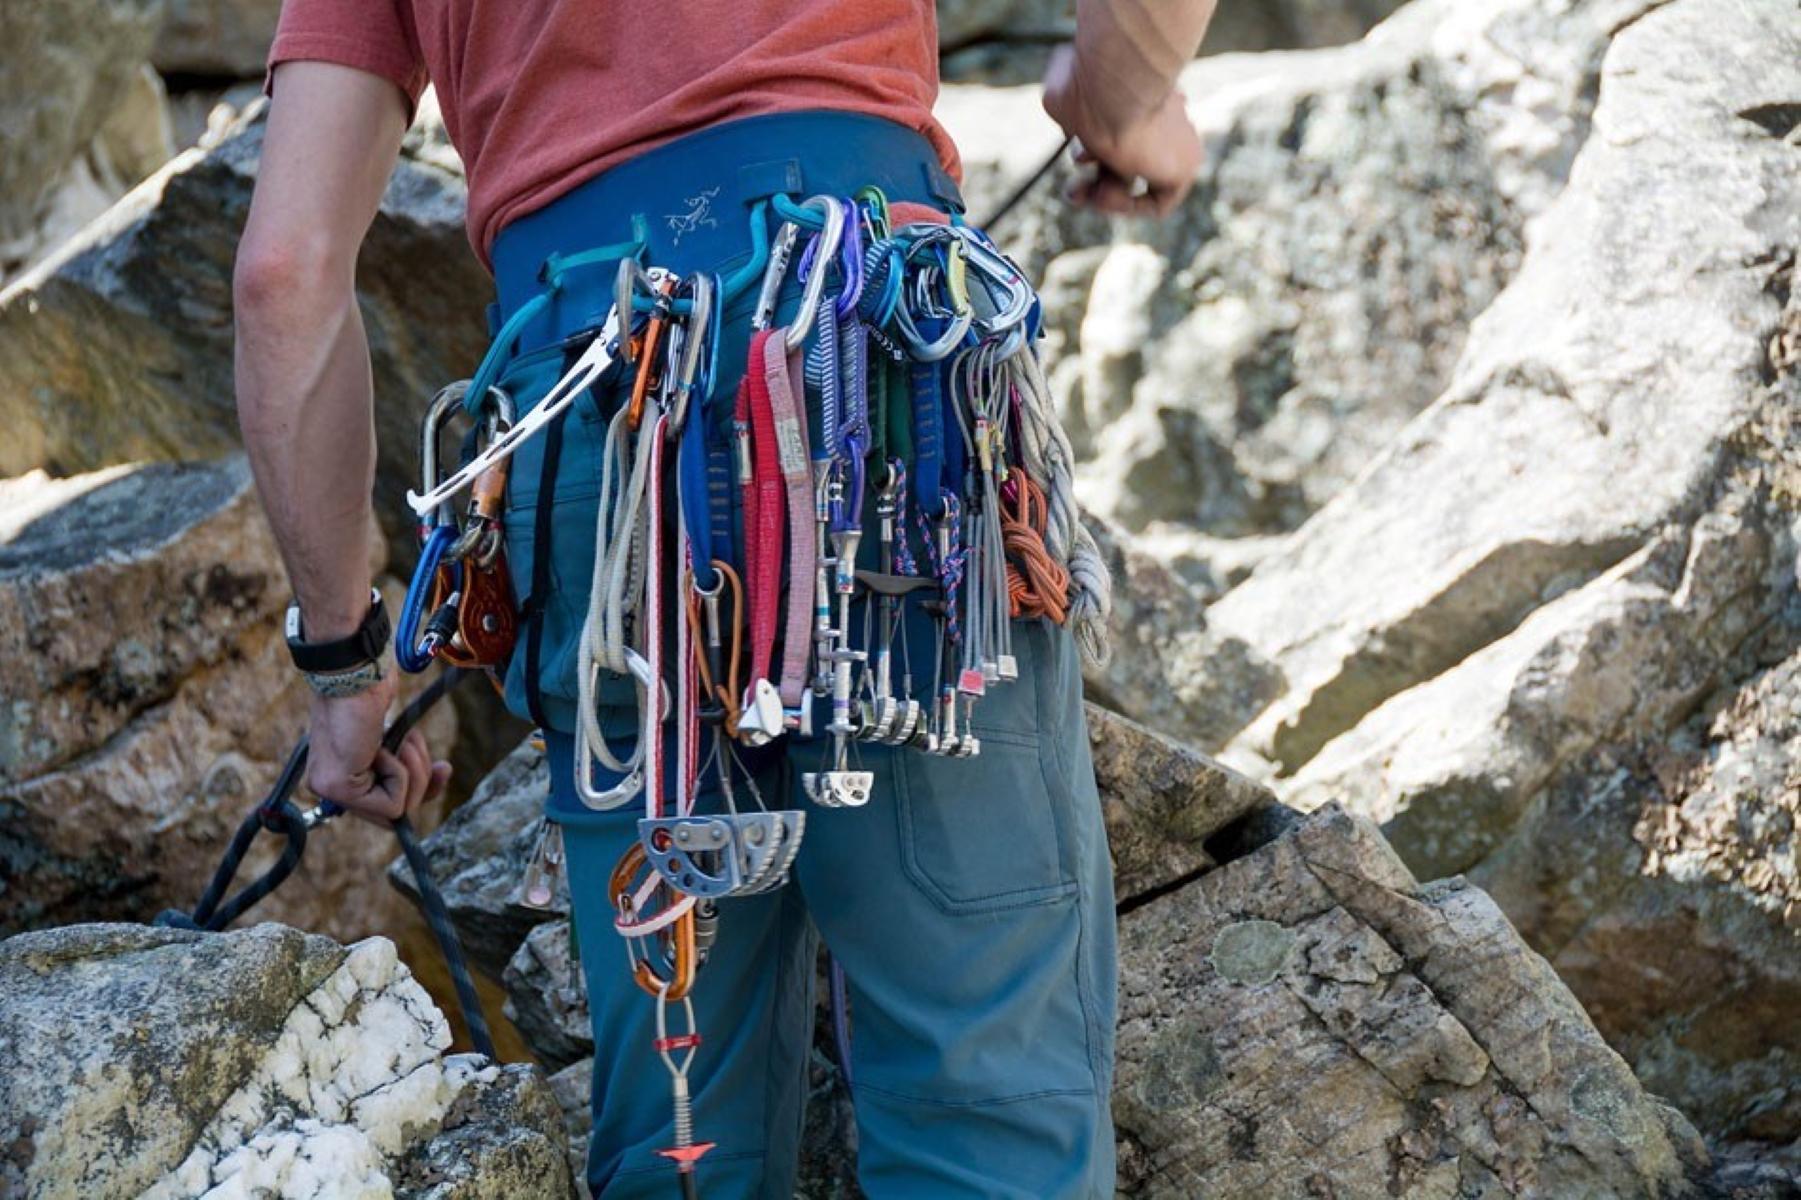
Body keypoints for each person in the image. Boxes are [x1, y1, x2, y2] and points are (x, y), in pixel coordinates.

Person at [235, 1, 1218, 1195]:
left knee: (683, 1136)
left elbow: (285, 276)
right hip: (877, 371)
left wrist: (346, 666)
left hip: (587, 413)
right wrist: (1125, 96)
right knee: (985, 1103)